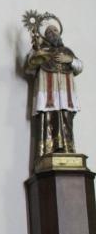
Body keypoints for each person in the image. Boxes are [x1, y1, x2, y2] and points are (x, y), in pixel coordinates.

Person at [25, 23, 83, 160]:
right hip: (47, 95)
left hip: (65, 96)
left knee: (66, 120)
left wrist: (70, 60)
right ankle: (46, 153)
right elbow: (30, 68)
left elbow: (79, 67)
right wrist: (37, 51)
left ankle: (68, 150)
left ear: (59, 33)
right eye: (49, 31)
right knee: (48, 120)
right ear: (45, 36)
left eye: (55, 30)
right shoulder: (41, 50)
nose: (53, 33)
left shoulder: (67, 51)